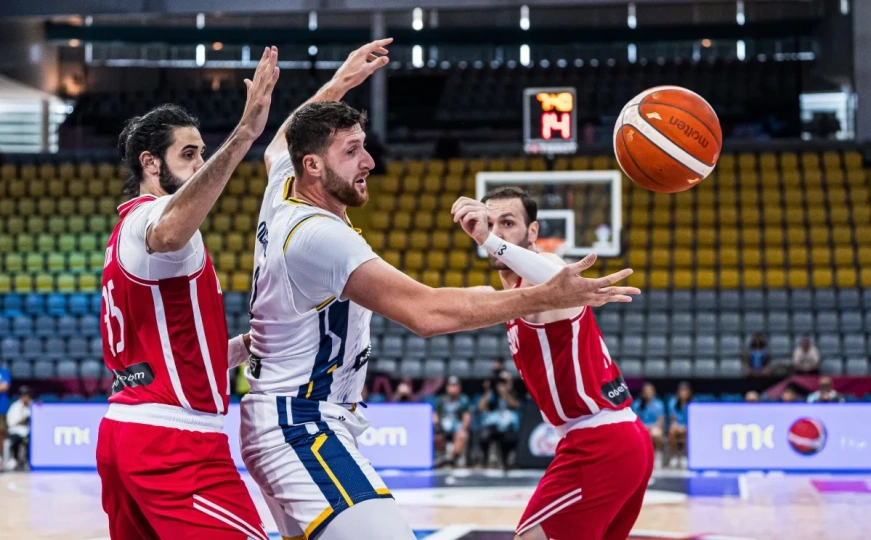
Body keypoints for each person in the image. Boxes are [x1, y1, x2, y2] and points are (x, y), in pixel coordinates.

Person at [239, 41, 639, 540]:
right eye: (352, 151)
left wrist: (341, 82)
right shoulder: (321, 235)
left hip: (290, 416)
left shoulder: (283, 185)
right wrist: (545, 296)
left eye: (363, 145)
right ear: (313, 166)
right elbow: (425, 313)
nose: (369, 161)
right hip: (301, 423)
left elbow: (282, 140)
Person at [95, 47, 279, 539]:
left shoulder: (122, 235)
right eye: (189, 154)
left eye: (202, 152)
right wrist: (244, 134)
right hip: (174, 443)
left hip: (127, 429)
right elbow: (171, 230)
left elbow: (173, 353)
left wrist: (244, 347)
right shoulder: (151, 219)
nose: (200, 164)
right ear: (150, 163)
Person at [450, 188, 651, 540]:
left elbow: (556, 278)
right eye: (490, 223)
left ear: (532, 232)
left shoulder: (547, 277)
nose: (496, 231)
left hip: (599, 441)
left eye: (507, 223)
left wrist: (487, 240)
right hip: (617, 438)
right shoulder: (513, 296)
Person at [477, 369, 521, 469]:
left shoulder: (513, 393)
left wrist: (504, 393)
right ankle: (485, 460)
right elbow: (481, 407)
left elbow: (516, 405)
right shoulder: (493, 394)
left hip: (509, 427)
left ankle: (507, 461)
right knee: (484, 435)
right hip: (494, 425)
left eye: (505, 381)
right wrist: (488, 391)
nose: (502, 384)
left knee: (509, 437)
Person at [434, 375, 472, 467]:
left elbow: (466, 417)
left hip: (457, 426)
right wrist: (437, 425)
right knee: (436, 435)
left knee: (462, 435)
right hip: (443, 426)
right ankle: (443, 456)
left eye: (455, 386)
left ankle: (453, 457)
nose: (452, 388)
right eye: (451, 385)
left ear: (459, 388)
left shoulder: (464, 400)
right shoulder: (442, 400)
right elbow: (435, 414)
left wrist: (463, 429)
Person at [632, 382, 665, 463]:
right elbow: (635, 420)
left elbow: (661, 421)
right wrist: (643, 428)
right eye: (646, 390)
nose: (648, 392)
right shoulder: (636, 404)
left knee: (657, 434)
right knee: (635, 435)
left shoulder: (659, 404)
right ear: (642, 392)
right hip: (642, 427)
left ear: (653, 392)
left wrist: (655, 427)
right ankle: (639, 456)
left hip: (654, 427)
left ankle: (658, 456)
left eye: (650, 390)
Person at [5, 386, 31, 471]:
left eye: (27, 396)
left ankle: (27, 461)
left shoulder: (33, 406)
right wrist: (22, 421)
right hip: (16, 431)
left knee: (29, 440)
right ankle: (15, 460)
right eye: (24, 396)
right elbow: (11, 422)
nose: (25, 398)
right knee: (15, 440)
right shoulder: (15, 407)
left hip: (27, 432)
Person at [667, 381, 692, 468]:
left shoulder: (692, 403)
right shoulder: (672, 403)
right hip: (677, 426)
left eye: (685, 390)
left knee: (691, 431)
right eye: (681, 390)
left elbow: (693, 420)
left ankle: (685, 456)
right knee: (671, 431)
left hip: (688, 427)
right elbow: (673, 420)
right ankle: (674, 456)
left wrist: (686, 427)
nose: (683, 393)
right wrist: (677, 426)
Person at [0, 362, 9, 457]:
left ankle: (0, 457)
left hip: (1, 409)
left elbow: (5, 386)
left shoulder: (3, 371)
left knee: (1, 433)